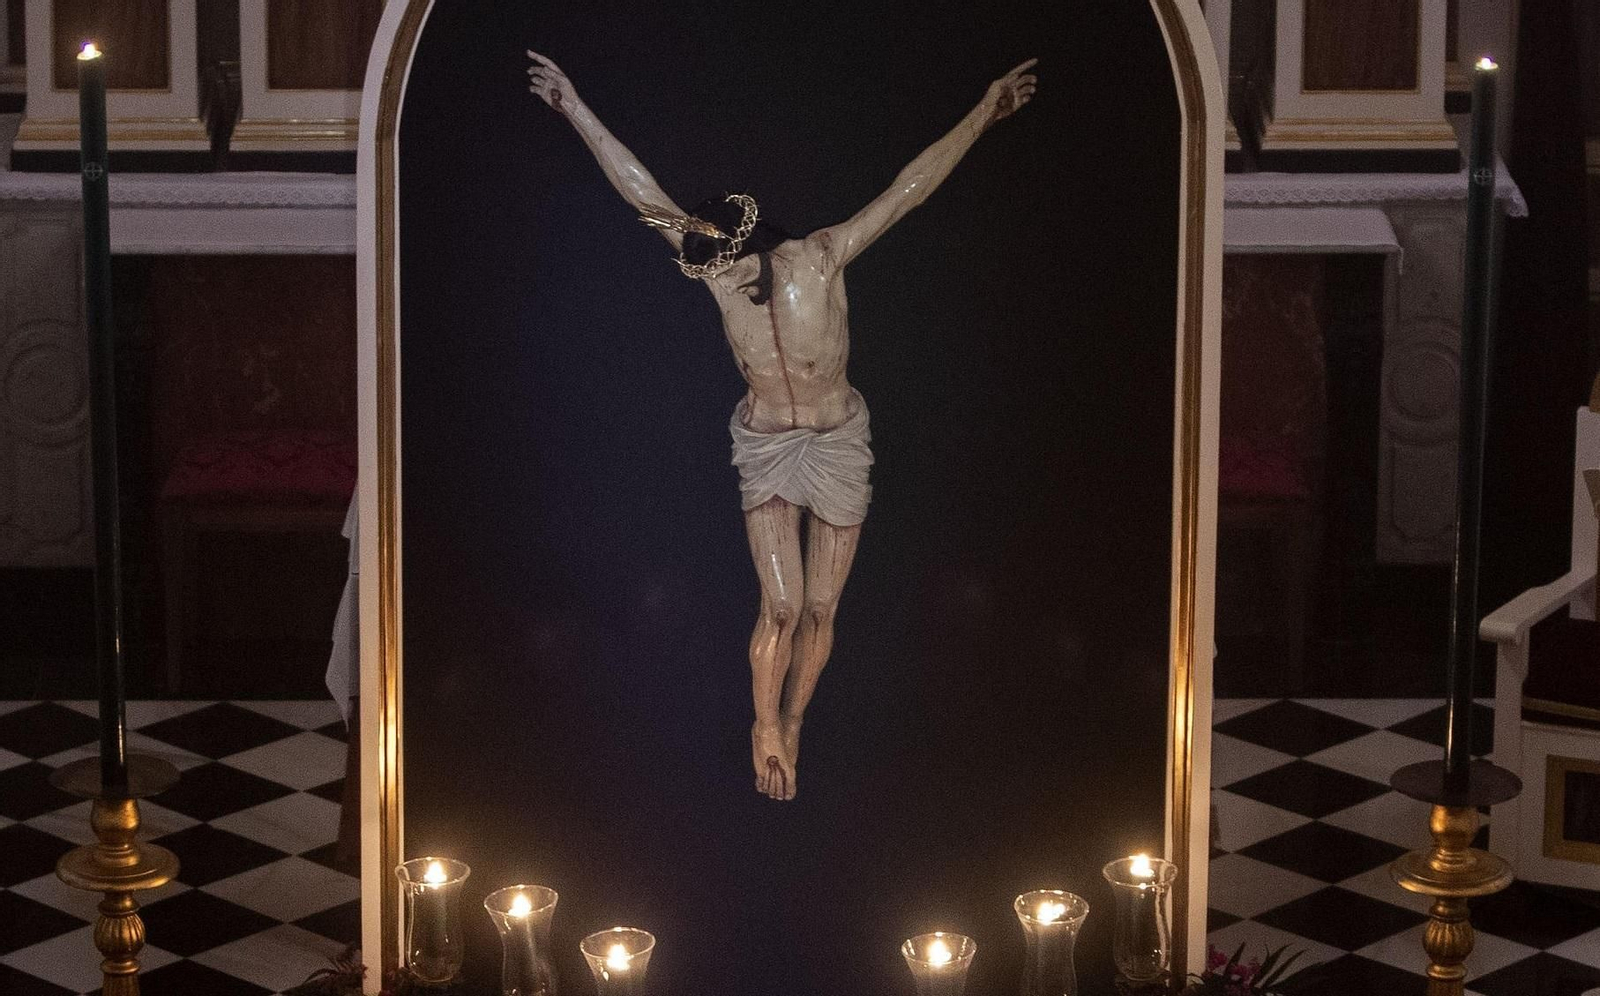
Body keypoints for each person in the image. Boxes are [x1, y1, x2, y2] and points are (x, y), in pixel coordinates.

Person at [526, 50, 1038, 800]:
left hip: (836, 443)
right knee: (784, 605)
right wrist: (573, 107)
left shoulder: (823, 258)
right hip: (766, 446)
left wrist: (984, 113)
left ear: (751, 251)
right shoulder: (717, 273)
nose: (713, 281)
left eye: (722, 267)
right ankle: (763, 724)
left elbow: (909, 191)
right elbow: (639, 187)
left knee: (824, 607)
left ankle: (796, 719)